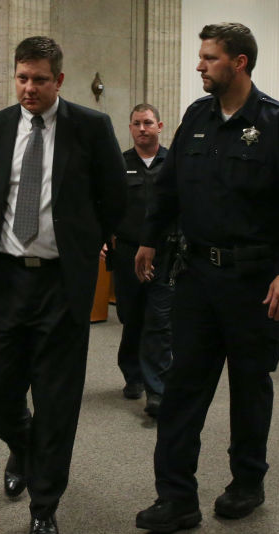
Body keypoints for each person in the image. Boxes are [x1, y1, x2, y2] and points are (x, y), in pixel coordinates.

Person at [133, 22, 279, 534]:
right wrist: (149, 238)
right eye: (201, 57)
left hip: (255, 280)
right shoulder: (196, 117)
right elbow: (168, 188)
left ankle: (247, 482)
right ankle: (176, 498)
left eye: (209, 58)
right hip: (195, 276)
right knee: (182, 388)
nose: (199, 66)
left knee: (249, 385)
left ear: (238, 63)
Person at [0, 36, 126, 534]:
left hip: (61, 285)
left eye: (39, 79)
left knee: (57, 402)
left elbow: (112, 199)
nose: (29, 88)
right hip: (5, 281)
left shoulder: (91, 127)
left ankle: (44, 508)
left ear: (59, 80)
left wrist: (92, 245)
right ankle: (23, 446)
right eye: (21, 78)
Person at [110, 103, 173, 418]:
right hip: (127, 254)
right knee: (131, 317)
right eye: (136, 123)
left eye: (148, 123)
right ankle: (132, 374)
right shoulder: (119, 164)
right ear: (130, 127)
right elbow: (107, 207)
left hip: (165, 255)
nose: (142, 129)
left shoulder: (174, 163)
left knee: (159, 322)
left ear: (159, 126)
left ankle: (156, 390)